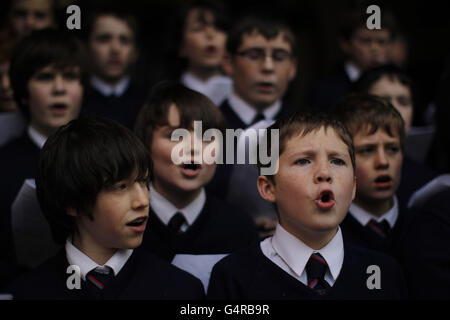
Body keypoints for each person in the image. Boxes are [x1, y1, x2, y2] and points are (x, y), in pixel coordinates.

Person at [207, 111, 407, 299]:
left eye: (337, 161)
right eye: (303, 161)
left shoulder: (382, 272)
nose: (325, 173)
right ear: (268, 188)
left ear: (353, 187)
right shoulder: (234, 276)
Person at [3, 117, 205, 300]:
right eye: (121, 187)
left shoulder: (182, 291)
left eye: (144, 182)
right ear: (71, 202)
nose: (143, 200)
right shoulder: (27, 293)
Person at [134, 83, 258, 289]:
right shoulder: (122, 225)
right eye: (176, 136)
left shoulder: (239, 228)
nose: (193, 148)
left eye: (208, 137)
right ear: (146, 146)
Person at [0, 28, 86, 280]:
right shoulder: (3, 164)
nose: (59, 88)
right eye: (45, 77)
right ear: (23, 92)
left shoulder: (110, 158)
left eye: (70, 76)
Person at [335, 94, 411, 260]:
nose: (383, 162)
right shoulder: (327, 236)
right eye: (367, 150)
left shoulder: (423, 226)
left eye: (392, 149)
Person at [353, 65, 436, 209]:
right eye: (384, 100)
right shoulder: (345, 174)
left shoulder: (430, 182)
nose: (394, 109)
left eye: (403, 102)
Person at [307, 8, 396, 110]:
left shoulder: (401, 87)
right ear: (345, 44)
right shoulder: (324, 90)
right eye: (365, 41)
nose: (374, 49)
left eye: (381, 42)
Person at [81, 7, 146, 130]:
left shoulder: (148, 103)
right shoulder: (74, 102)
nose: (115, 49)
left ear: (135, 52)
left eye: (124, 40)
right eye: (104, 39)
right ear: (86, 47)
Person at [175, 0, 232, 106]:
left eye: (219, 27)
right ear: (181, 45)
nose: (210, 34)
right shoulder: (169, 98)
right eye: (199, 28)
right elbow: (199, 123)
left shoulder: (243, 95)